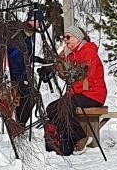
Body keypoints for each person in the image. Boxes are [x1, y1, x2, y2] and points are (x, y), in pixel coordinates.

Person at [43, 29, 108, 157]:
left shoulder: (88, 52)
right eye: (64, 38)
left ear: (78, 38)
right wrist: (58, 64)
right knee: (51, 108)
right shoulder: (73, 55)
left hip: (93, 94)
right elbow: (67, 74)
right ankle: (66, 142)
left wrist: (71, 90)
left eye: (68, 37)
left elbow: (85, 78)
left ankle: (80, 138)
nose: (66, 41)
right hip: (79, 94)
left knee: (64, 107)